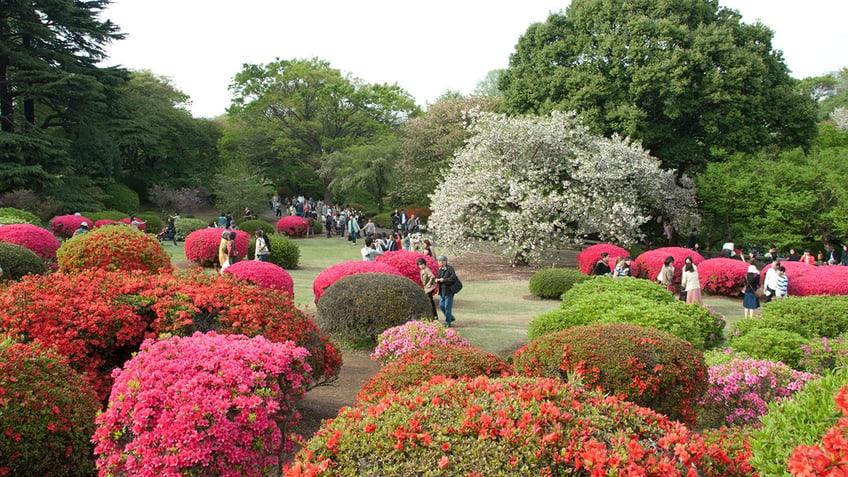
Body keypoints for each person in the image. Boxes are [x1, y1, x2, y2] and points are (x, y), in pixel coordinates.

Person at [435, 255, 459, 327]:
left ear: (445, 261)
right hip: (442, 290)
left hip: (449, 291)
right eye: (438, 261)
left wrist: (444, 280)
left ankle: (448, 321)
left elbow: (453, 279)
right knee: (441, 306)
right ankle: (450, 317)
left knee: (447, 307)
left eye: (440, 261)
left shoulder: (450, 269)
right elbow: (438, 277)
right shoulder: (440, 270)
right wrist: (437, 280)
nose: (439, 262)